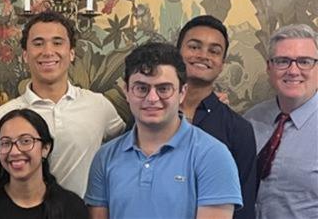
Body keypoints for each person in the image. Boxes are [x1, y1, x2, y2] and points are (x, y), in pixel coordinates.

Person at [85, 42, 242, 219]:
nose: (152, 98)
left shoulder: (213, 155)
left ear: (182, 92)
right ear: (127, 92)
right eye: (141, 88)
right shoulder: (104, 158)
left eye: (164, 89)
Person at [0, 11, 125, 197]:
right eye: (38, 43)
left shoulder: (98, 105)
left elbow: (125, 150)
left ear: (72, 53)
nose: (48, 51)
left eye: (57, 42)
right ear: (25, 55)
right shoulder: (3, 116)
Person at [176, 15, 257, 219]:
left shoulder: (239, 129)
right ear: (178, 53)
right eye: (194, 47)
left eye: (214, 51)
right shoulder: (150, 115)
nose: (203, 55)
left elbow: (243, 206)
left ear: (222, 64)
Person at [243, 24, 318, 219]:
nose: (293, 71)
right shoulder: (250, 120)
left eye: (304, 61)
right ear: (269, 68)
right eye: (282, 61)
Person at [0, 109, 87, 219]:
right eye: (5, 143)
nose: (15, 151)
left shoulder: (72, 207)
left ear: (45, 148)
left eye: (25, 141)